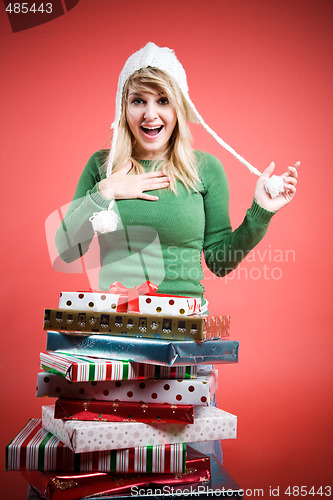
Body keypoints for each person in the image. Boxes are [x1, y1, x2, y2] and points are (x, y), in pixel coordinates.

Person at [53, 42, 298, 465]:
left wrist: (261, 212)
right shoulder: (101, 166)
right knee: (112, 466)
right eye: (138, 100)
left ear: (180, 106)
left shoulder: (206, 170)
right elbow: (66, 249)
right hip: (116, 342)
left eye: (163, 100)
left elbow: (219, 261)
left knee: (189, 465)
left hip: (183, 340)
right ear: (122, 106)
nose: (151, 114)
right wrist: (104, 192)